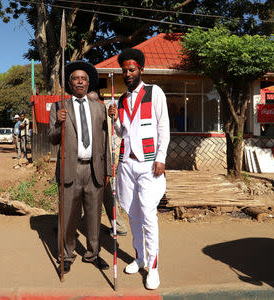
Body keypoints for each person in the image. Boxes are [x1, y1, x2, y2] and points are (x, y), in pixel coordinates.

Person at [108, 48, 170, 290]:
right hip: (127, 164)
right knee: (133, 215)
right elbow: (122, 132)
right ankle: (139, 258)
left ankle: (153, 267)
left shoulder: (155, 92)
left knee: (148, 215)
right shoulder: (122, 100)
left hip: (149, 165)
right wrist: (114, 118)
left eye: (132, 69)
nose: (128, 73)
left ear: (140, 70)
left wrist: (161, 157)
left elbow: (163, 127)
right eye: (124, 70)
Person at [49, 60, 112, 274]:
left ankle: (93, 254)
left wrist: (108, 170)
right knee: (68, 216)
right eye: (75, 78)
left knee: (94, 216)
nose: (79, 82)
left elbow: (105, 141)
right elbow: (52, 139)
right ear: (69, 83)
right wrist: (58, 123)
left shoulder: (99, 108)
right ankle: (66, 255)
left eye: (83, 79)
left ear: (88, 83)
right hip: (70, 168)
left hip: (95, 168)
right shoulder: (59, 107)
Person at [87, 91, 128, 237]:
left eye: (93, 101)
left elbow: (107, 145)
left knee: (107, 196)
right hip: (92, 164)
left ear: (98, 102)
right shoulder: (92, 114)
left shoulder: (103, 115)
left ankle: (119, 226)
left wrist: (108, 169)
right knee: (104, 196)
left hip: (101, 164)